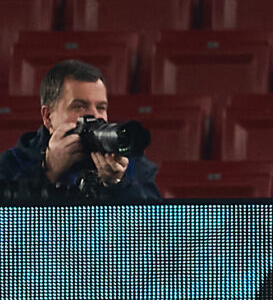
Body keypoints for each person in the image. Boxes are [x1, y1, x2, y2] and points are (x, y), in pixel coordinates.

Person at [0, 59, 160, 203]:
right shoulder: (15, 161)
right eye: (79, 106)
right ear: (48, 117)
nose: (94, 116)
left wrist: (119, 184)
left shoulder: (127, 159)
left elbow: (153, 228)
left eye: (100, 107)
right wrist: (48, 172)